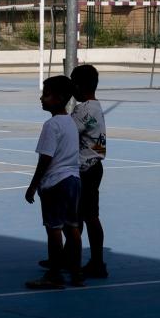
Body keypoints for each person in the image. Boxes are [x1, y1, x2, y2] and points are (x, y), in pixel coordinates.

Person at [24, 75, 83, 289]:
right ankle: (76, 274)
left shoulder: (51, 125)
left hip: (56, 183)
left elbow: (45, 158)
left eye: (46, 94)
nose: (41, 98)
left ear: (58, 98)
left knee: (54, 230)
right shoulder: (70, 123)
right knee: (72, 228)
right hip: (73, 180)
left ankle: (55, 275)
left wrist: (33, 186)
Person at [70, 65, 108, 278]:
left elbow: (67, 131)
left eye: (73, 82)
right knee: (83, 216)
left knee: (87, 217)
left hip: (86, 168)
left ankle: (95, 262)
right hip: (94, 166)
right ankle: (79, 257)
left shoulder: (83, 111)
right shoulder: (95, 106)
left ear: (81, 85)